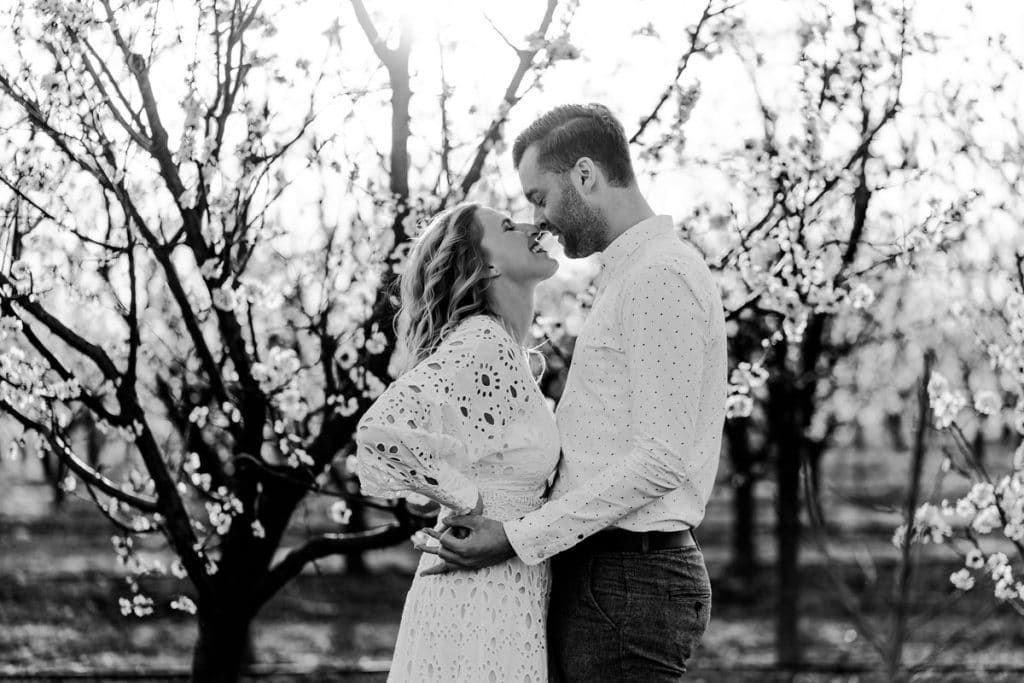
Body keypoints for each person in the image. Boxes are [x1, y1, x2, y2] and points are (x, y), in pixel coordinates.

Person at [418, 103, 728, 681]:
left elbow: (662, 458)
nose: (539, 219)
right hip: (605, 574)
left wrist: (516, 537)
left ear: (585, 176)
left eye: (540, 197)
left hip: (626, 579)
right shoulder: (631, 275)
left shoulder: (658, 276)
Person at [354, 202, 561, 682]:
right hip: (480, 593)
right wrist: (470, 499)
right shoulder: (483, 342)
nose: (533, 226)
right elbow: (381, 434)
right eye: (509, 227)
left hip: (507, 585)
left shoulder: (508, 353)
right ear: (485, 264)